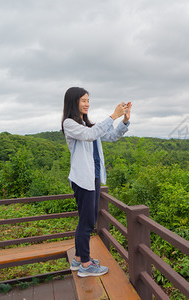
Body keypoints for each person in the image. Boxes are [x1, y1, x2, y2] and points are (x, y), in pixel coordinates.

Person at [61, 87, 131, 277]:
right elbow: (89, 136)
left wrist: (124, 120)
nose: (87, 104)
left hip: (93, 178)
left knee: (86, 220)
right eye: (83, 100)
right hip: (83, 179)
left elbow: (111, 136)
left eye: (88, 101)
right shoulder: (70, 124)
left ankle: (78, 259)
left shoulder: (88, 125)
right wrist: (112, 116)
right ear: (73, 102)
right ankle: (85, 265)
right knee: (88, 221)